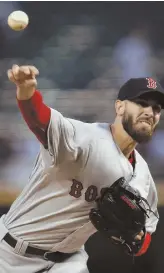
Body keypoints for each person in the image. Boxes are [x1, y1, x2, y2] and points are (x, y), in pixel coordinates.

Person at [0, 65, 163, 273]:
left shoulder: (143, 178)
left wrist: (138, 241)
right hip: (11, 253)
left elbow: (146, 235)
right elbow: (39, 118)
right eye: (141, 103)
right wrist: (26, 92)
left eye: (157, 108)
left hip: (68, 262)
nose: (150, 112)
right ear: (120, 107)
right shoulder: (84, 138)